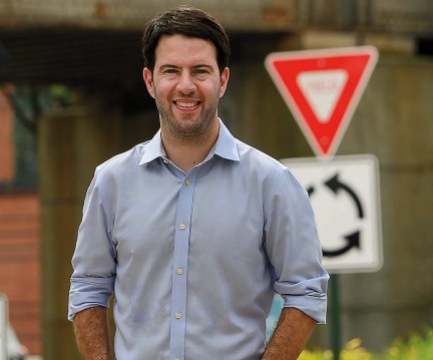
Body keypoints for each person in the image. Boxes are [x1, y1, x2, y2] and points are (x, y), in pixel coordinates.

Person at [68, 6, 328, 360]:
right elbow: (88, 287)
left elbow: (307, 292)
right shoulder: (111, 181)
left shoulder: (272, 184)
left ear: (222, 80)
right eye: (171, 71)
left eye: (200, 71)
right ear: (150, 81)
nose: (186, 85)